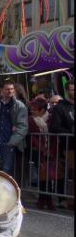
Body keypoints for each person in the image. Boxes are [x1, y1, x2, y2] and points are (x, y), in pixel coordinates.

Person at [0, 79, 28, 177]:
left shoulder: (20, 106)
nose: (10, 91)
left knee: (6, 171)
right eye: (7, 89)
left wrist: (12, 142)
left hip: (9, 143)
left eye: (12, 89)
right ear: (1, 90)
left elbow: (23, 127)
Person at [48, 80, 74, 210]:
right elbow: (54, 127)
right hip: (67, 146)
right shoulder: (60, 107)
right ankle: (64, 199)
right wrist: (70, 132)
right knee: (66, 173)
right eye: (72, 89)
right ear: (67, 91)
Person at [28, 98, 55, 211]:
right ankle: (44, 199)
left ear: (43, 110)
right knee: (43, 175)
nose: (32, 111)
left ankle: (46, 199)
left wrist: (50, 149)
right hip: (38, 150)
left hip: (50, 150)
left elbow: (53, 135)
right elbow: (33, 136)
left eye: (35, 109)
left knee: (49, 175)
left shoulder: (51, 118)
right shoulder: (30, 119)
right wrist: (42, 148)